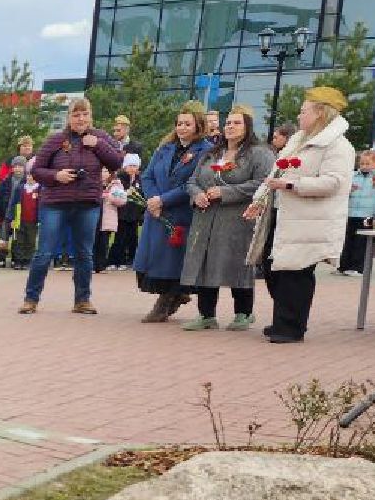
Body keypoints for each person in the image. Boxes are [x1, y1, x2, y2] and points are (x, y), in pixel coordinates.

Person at [245, 87, 356, 343]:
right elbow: (276, 174)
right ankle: (283, 320)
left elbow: (334, 182)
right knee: (274, 270)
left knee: (296, 275)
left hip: (310, 221)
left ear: (320, 113)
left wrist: (293, 185)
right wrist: (259, 199)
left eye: (303, 110)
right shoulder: (297, 142)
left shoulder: (338, 145)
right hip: (283, 217)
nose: (299, 115)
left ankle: (291, 328)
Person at [19, 98, 122, 314]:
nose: (81, 119)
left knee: (85, 253)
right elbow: (37, 170)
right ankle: (31, 298)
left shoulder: (100, 137)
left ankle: (82, 300)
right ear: (69, 118)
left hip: (88, 204)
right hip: (55, 204)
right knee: (44, 252)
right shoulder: (55, 140)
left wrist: (98, 145)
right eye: (76, 115)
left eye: (85, 114)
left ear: (90, 116)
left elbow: (117, 162)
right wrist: (57, 175)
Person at [178, 104, 273, 331]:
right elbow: (192, 180)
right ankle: (206, 315)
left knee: (237, 263)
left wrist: (226, 192)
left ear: (248, 126)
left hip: (237, 220)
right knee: (205, 263)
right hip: (206, 218)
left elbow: (262, 184)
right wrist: (197, 194)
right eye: (228, 122)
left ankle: (243, 312)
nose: (230, 126)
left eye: (236, 122)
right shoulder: (211, 153)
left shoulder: (259, 153)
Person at [134, 100, 209, 323]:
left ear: (198, 125)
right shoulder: (164, 148)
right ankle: (173, 295)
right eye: (179, 123)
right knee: (153, 258)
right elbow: (147, 175)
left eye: (187, 123)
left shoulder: (204, 151)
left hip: (179, 213)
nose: (182, 128)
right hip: (156, 213)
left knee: (172, 262)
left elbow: (193, 183)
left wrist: (163, 200)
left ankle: (168, 299)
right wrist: (152, 199)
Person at [338, 149, 375, 276]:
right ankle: (343, 266)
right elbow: (342, 194)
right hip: (351, 214)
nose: (364, 166)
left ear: (374, 163)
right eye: (362, 164)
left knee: (361, 242)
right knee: (348, 239)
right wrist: (348, 191)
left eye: (367, 164)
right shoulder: (352, 176)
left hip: (367, 215)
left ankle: (358, 268)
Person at [110, 152, 144, 269]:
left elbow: (143, 195)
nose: (132, 168)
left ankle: (131, 260)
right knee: (120, 237)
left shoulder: (140, 179)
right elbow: (116, 194)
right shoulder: (119, 178)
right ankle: (115, 261)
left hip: (134, 214)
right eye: (130, 166)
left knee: (133, 238)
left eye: (135, 166)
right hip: (122, 213)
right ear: (125, 166)